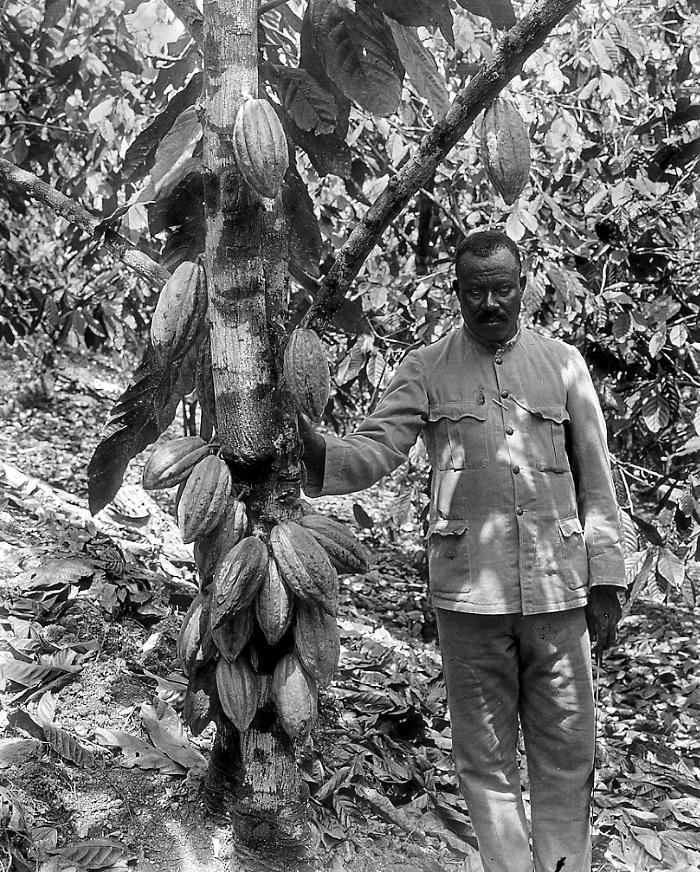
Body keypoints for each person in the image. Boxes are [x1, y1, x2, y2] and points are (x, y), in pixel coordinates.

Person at [299, 229, 626, 872]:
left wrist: (608, 581)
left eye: (501, 288)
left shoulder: (563, 365)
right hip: (469, 595)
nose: (489, 303)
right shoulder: (425, 367)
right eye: (473, 291)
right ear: (455, 293)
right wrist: (306, 439)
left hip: (559, 588)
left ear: (524, 285)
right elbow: (373, 453)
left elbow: (597, 481)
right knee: (486, 761)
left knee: (567, 753)